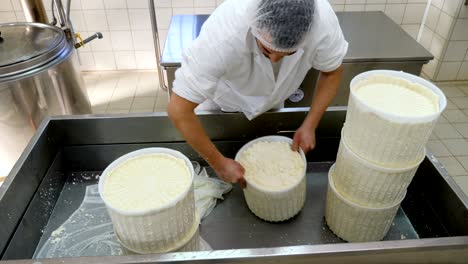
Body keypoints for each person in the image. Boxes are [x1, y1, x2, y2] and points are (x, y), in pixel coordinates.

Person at [168, 0, 348, 187]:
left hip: (275, 99)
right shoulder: (224, 35)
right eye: (267, 50)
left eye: (289, 53)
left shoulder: (322, 24)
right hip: (225, 100)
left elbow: (332, 72)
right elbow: (179, 109)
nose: (275, 59)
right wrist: (219, 163)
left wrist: (310, 125)